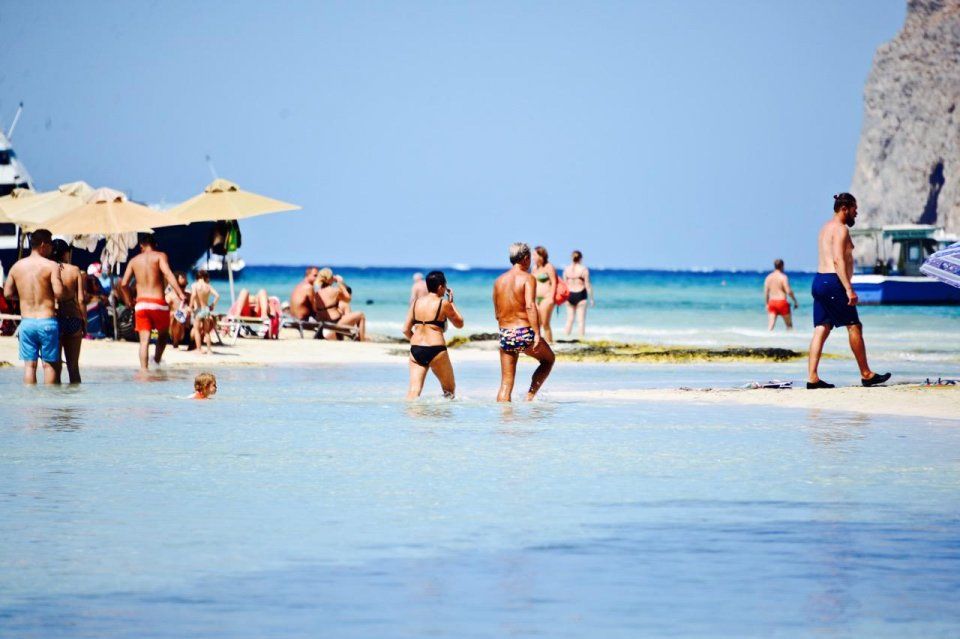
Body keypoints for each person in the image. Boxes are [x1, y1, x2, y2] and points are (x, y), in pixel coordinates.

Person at [807, 193, 891, 389]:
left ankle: (812, 378)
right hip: (832, 281)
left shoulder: (825, 228)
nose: (856, 213)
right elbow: (837, 260)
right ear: (844, 208)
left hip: (819, 280)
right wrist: (849, 288)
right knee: (854, 326)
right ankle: (866, 374)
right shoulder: (840, 229)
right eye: (854, 209)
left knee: (822, 328)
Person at [492, 242, 555, 402]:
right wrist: (537, 334)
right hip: (524, 332)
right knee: (548, 360)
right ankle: (530, 397)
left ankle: (504, 416)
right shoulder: (528, 278)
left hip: (506, 333)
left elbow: (497, 314)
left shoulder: (498, 281)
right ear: (526, 258)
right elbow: (530, 306)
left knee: (506, 384)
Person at [2, 229, 64, 384]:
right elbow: (59, 293)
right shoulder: (51, 266)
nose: (52, 248)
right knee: (49, 366)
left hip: (27, 323)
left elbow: (7, 293)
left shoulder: (17, 266)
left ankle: (30, 399)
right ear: (43, 245)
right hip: (47, 321)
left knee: (29, 366)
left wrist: (24, 296)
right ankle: (49, 399)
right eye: (50, 244)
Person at [119, 233, 186, 370]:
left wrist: (129, 301)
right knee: (163, 334)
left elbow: (124, 284)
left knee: (144, 341)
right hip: (158, 303)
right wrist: (180, 293)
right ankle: (156, 361)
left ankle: (144, 370)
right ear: (155, 245)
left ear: (141, 246)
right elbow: (168, 274)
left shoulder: (134, 261)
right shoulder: (160, 256)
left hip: (141, 304)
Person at [402, 270, 464, 399]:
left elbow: (405, 330)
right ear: (440, 287)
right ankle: (443, 412)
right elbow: (459, 324)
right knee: (449, 390)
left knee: (414, 391)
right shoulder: (443, 303)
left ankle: (410, 412)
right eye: (445, 286)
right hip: (436, 350)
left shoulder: (415, 303)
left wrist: (416, 341)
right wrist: (452, 302)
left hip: (416, 349)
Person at [50, 240, 85, 384]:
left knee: (55, 367)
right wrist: (84, 322)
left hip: (54, 319)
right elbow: (81, 300)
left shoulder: (47, 269)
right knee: (73, 367)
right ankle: (75, 398)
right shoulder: (75, 270)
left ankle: (56, 398)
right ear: (66, 253)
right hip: (73, 319)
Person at [315, 268, 366, 341]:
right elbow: (348, 299)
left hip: (323, 324)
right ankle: (362, 341)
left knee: (341, 308)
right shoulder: (335, 291)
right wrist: (340, 282)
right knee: (361, 315)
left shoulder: (317, 293)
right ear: (330, 278)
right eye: (332, 276)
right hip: (334, 324)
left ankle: (353, 337)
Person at [563, 250, 594, 338]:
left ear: (571, 258)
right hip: (580, 294)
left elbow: (564, 285)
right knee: (581, 320)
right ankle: (581, 339)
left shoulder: (566, 269)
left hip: (569, 295)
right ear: (581, 258)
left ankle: (566, 338)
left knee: (569, 320)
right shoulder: (583, 269)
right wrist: (591, 299)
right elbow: (587, 285)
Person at [190, 269, 220, 354]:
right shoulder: (208, 286)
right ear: (205, 277)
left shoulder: (194, 285)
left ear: (198, 277)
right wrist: (212, 305)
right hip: (206, 309)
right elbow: (217, 296)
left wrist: (190, 306)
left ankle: (199, 349)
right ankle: (209, 350)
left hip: (199, 310)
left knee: (197, 330)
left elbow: (194, 295)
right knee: (206, 332)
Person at [764, 259, 798, 331]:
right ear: (782, 266)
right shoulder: (783, 277)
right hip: (782, 302)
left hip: (772, 302)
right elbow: (788, 291)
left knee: (770, 326)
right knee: (789, 326)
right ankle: (790, 338)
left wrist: (766, 304)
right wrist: (795, 301)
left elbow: (766, 292)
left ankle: (766, 338)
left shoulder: (768, 277)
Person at [532, 246, 558, 343]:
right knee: (537, 324)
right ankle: (539, 343)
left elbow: (554, 282)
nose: (533, 257)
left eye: (534, 255)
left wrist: (551, 297)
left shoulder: (549, 267)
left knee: (545, 323)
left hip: (547, 298)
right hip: (536, 299)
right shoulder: (534, 268)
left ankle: (549, 342)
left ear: (541, 256)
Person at [167, 271, 192, 349]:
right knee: (177, 315)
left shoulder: (189, 295)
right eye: (182, 277)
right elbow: (164, 310)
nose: (185, 279)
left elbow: (195, 308)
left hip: (186, 326)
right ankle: (175, 342)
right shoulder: (170, 296)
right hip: (173, 328)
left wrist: (190, 309)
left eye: (185, 277)